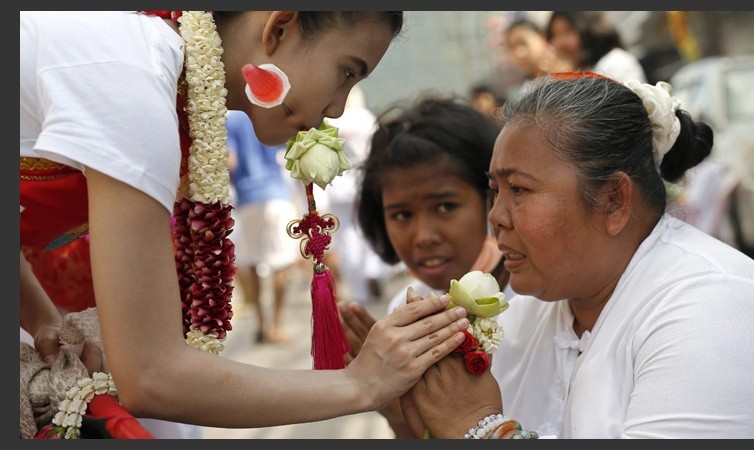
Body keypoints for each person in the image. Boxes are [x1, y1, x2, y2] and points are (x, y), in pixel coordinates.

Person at [20, 10, 470, 436]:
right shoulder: (134, 79)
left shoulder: (157, 74)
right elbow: (150, 376)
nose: (336, 108)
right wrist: (364, 384)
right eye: (347, 72)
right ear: (279, 27)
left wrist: (43, 320)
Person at [397, 73, 754, 439]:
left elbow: (473, 424)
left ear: (614, 200)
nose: (495, 216)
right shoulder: (534, 314)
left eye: (519, 189)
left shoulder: (715, 307)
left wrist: (476, 426)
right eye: (495, 190)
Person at [337, 96, 516, 437]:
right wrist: (393, 407)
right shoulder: (403, 311)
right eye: (402, 215)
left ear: (490, 199)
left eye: (446, 206)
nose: (424, 236)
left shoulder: (532, 300)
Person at [226, 109, 300, 344]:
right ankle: (276, 325)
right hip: (276, 194)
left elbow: (230, 161)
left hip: (247, 198)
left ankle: (260, 324)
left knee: (254, 262)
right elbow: (286, 153)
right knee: (282, 263)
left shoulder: (231, 119)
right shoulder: (267, 113)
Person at [325, 85, 393, 305]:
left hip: (337, 187)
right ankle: (374, 271)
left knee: (347, 239)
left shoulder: (329, 123)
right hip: (364, 183)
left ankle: (359, 290)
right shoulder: (365, 119)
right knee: (370, 228)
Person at [546, 11, 648, 83]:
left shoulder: (616, 62)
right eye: (554, 35)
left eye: (567, 32)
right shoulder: (575, 70)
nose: (559, 43)